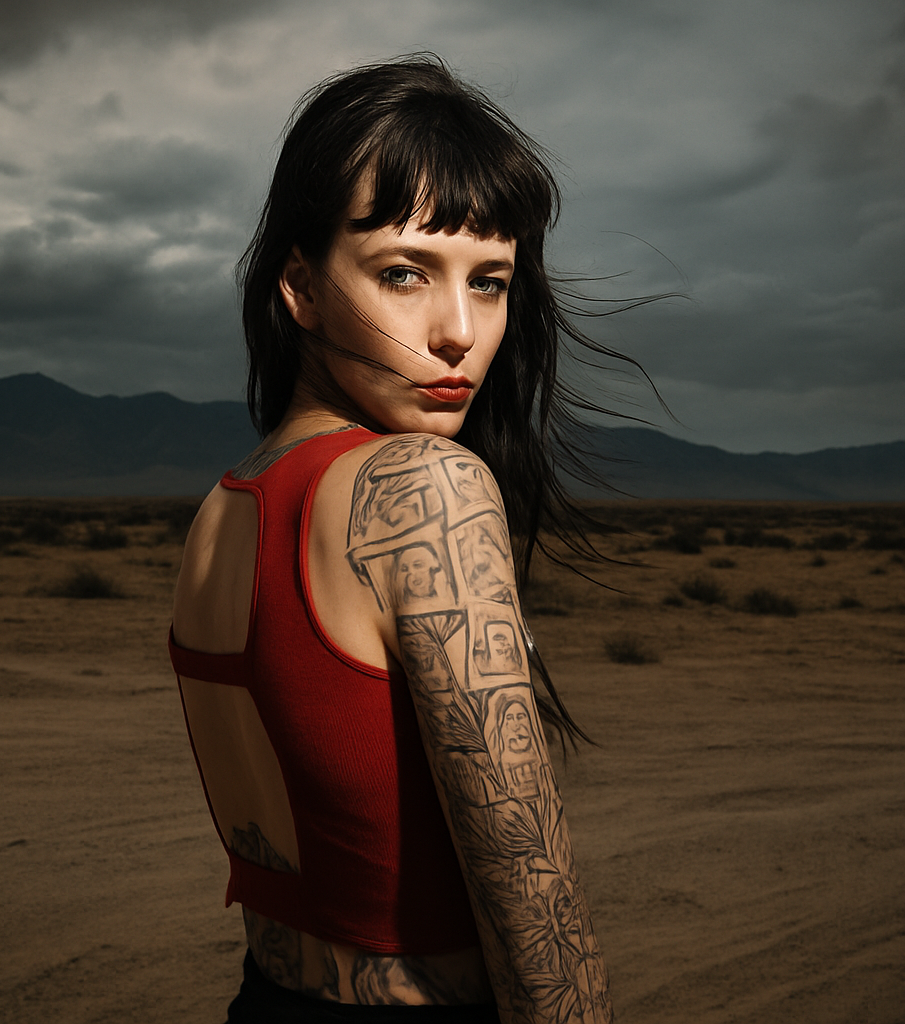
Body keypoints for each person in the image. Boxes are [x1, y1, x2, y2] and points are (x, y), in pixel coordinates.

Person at [170, 54, 624, 1023]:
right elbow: (532, 909)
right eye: (405, 273)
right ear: (300, 285)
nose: (458, 330)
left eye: (491, 282)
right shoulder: (425, 490)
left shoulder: (225, 509)